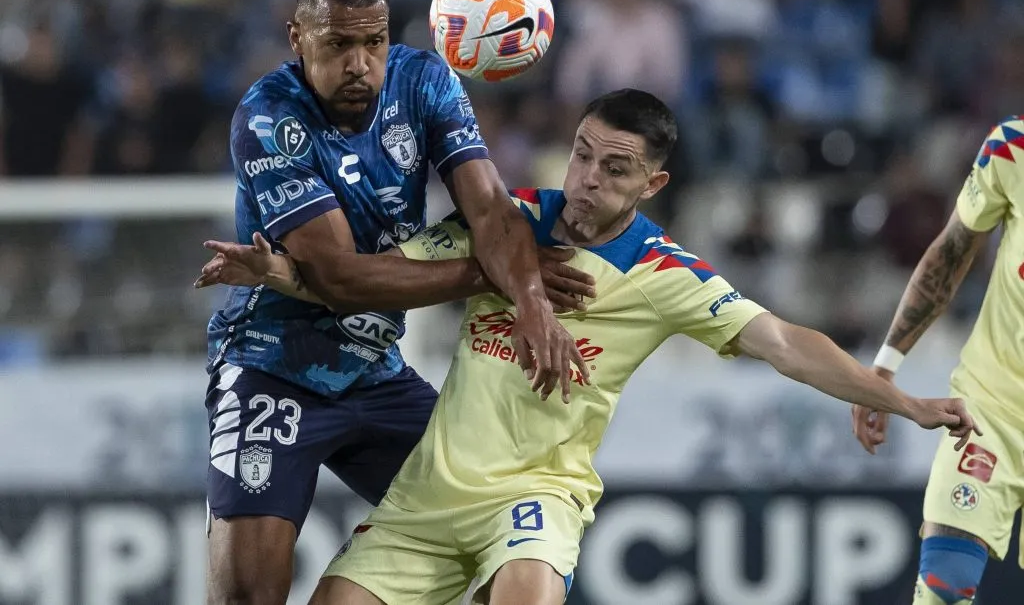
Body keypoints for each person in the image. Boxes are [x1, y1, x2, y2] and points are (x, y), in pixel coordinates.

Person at [199, 89, 981, 605]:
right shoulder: (508, 225)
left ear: (652, 183)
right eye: (581, 153)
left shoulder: (661, 271)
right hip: (424, 504)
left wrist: (903, 400)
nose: (587, 179)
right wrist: (285, 272)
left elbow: (786, 342)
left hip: (534, 496)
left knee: (528, 590)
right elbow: (377, 277)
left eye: (615, 169)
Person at [198, 0, 591, 605]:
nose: (360, 63)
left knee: (507, 535)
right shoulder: (269, 117)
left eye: (373, 42)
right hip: (272, 369)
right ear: (298, 39)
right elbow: (341, 278)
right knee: (247, 595)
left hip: (376, 373)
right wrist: (486, 272)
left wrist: (529, 297)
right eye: (339, 44)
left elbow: (490, 210)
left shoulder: (426, 82)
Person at [851, 116, 1024, 605]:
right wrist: (883, 368)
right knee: (944, 587)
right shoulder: (1013, 148)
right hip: (992, 408)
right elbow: (950, 253)